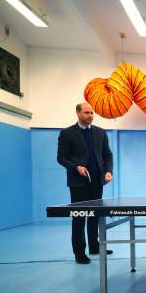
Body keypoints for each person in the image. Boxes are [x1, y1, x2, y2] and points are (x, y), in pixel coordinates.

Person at [57, 102, 114, 264]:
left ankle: (94, 246)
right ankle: (79, 252)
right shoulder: (67, 133)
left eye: (92, 113)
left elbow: (107, 155)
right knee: (79, 217)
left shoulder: (101, 133)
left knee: (95, 215)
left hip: (97, 181)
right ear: (78, 113)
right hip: (78, 183)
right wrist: (76, 167)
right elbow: (61, 158)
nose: (90, 116)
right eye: (87, 113)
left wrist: (108, 171)